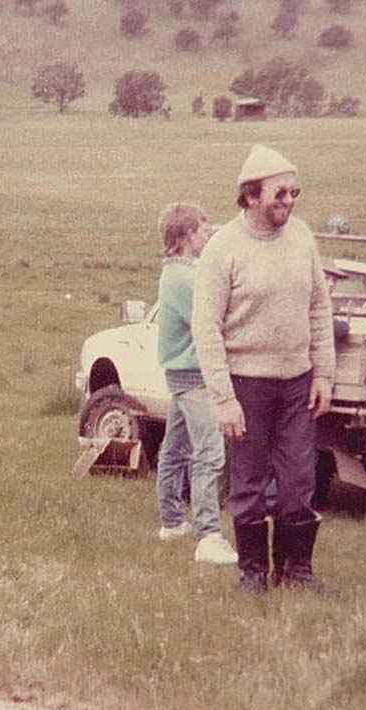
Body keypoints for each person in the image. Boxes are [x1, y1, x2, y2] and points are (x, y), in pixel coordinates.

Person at [192, 143, 335, 594]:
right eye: (280, 194)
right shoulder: (222, 248)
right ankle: (252, 575)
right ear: (250, 196)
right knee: (249, 486)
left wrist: (324, 374)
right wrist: (223, 400)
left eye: (295, 193)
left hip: (296, 384)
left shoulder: (304, 239)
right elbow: (206, 328)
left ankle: (297, 572)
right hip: (245, 386)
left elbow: (319, 309)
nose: (289, 202)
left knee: (298, 481)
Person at [153, 203, 237, 565]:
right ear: (187, 236)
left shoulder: (177, 274)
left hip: (180, 375)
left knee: (175, 449)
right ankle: (208, 534)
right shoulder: (187, 279)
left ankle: (172, 521)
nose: (208, 236)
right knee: (210, 454)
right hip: (194, 377)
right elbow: (213, 321)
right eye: (204, 231)